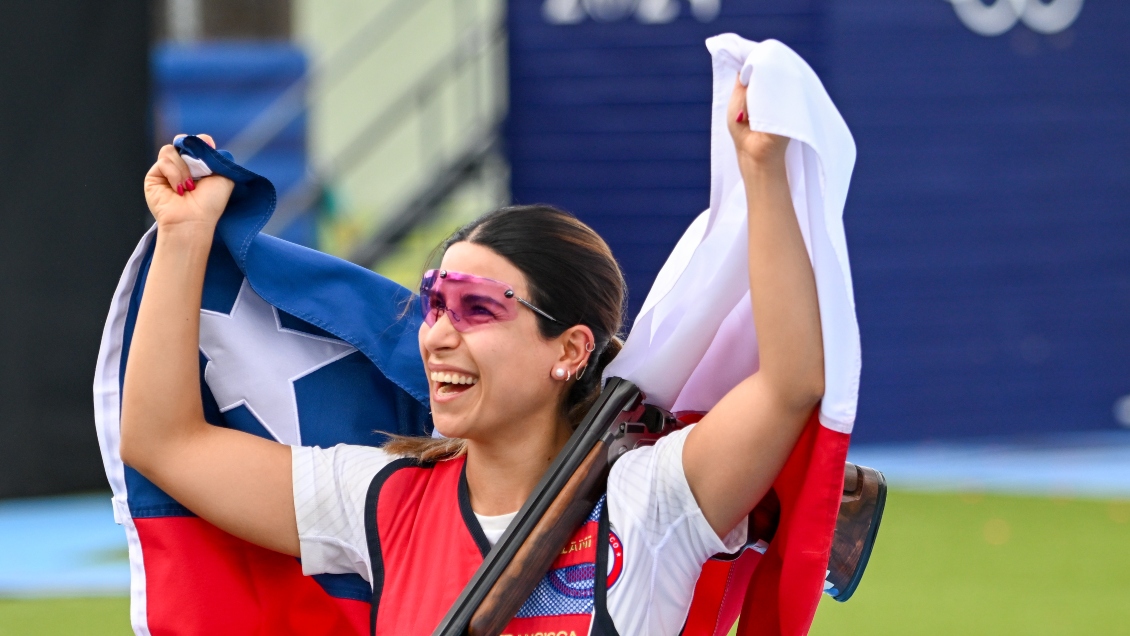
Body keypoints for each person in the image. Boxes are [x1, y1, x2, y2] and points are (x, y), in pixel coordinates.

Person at [119, 76, 824, 635]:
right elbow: (162, 443)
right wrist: (185, 237)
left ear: (570, 349)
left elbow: (790, 385)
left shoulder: (652, 497)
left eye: (476, 308)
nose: (436, 334)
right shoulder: (382, 500)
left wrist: (762, 171)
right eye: (434, 303)